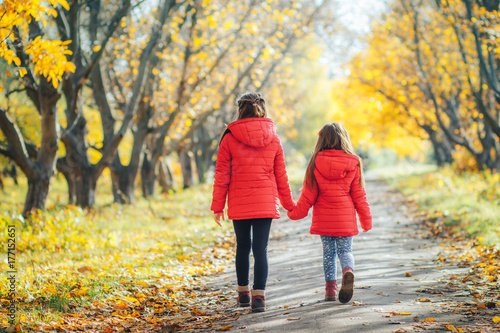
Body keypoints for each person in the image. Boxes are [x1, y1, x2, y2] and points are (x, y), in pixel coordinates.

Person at [211, 92, 295, 312]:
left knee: (242, 247)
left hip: (239, 202)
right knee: (260, 249)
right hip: (265, 202)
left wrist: (218, 206)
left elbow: (222, 175)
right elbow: (281, 176)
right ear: (262, 108)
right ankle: (259, 297)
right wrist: (288, 203)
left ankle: (243, 294)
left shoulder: (229, 137)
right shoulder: (274, 138)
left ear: (240, 110)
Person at [287, 122, 372, 304]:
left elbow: (308, 196)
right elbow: (359, 196)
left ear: (321, 140)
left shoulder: (315, 162)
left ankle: (330, 291)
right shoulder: (354, 162)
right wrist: (366, 221)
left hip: (324, 219)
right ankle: (348, 270)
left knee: (328, 254)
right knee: (345, 251)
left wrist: (294, 212)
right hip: (345, 219)